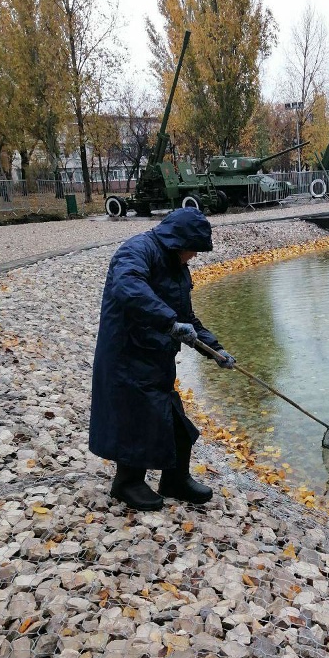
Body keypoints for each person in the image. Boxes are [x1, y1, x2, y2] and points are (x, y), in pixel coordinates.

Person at [89, 208, 235, 511]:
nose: (194, 255)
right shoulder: (135, 251)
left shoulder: (176, 264)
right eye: (193, 249)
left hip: (156, 356)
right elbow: (129, 288)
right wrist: (168, 321)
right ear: (178, 241)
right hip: (127, 355)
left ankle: (175, 480)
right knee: (135, 420)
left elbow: (187, 318)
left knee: (175, 421)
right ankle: (126, 483)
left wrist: (215, 349)